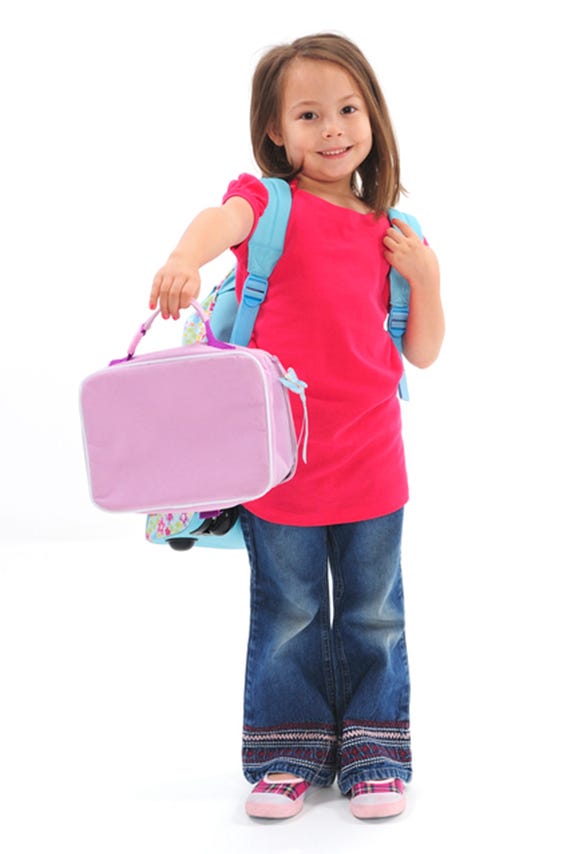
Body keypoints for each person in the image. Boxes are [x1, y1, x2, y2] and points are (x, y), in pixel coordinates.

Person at [149, 32, 444, 821]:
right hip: (279, 462)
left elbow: (422, 352)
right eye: (308, 115)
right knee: (289, 611)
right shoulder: (267, 203)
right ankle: (288, 754)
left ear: (373, 116)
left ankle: (375, 753)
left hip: (373, 458)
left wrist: (426, 277)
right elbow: (219, 221)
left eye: (348, 109)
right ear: (276, 130)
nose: (332, 128)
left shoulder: (396, 230)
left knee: (374, 612)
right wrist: (183, 257)